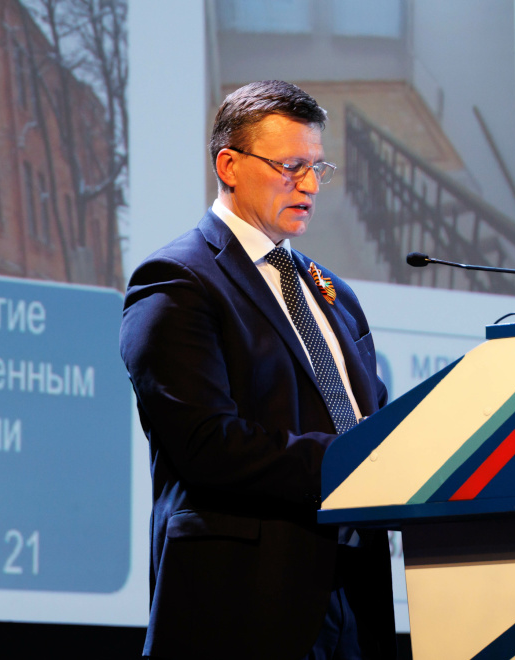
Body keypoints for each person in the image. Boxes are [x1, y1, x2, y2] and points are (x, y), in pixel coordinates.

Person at [120, 80, 396, 659]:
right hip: (245, 602)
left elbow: (371, 421)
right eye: (291, 167)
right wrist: (351, 462)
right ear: (229, 165)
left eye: (318, 168)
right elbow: (206, 444)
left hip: (354, 597)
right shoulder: (177, 280)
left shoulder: (334, 293)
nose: (310, 186)